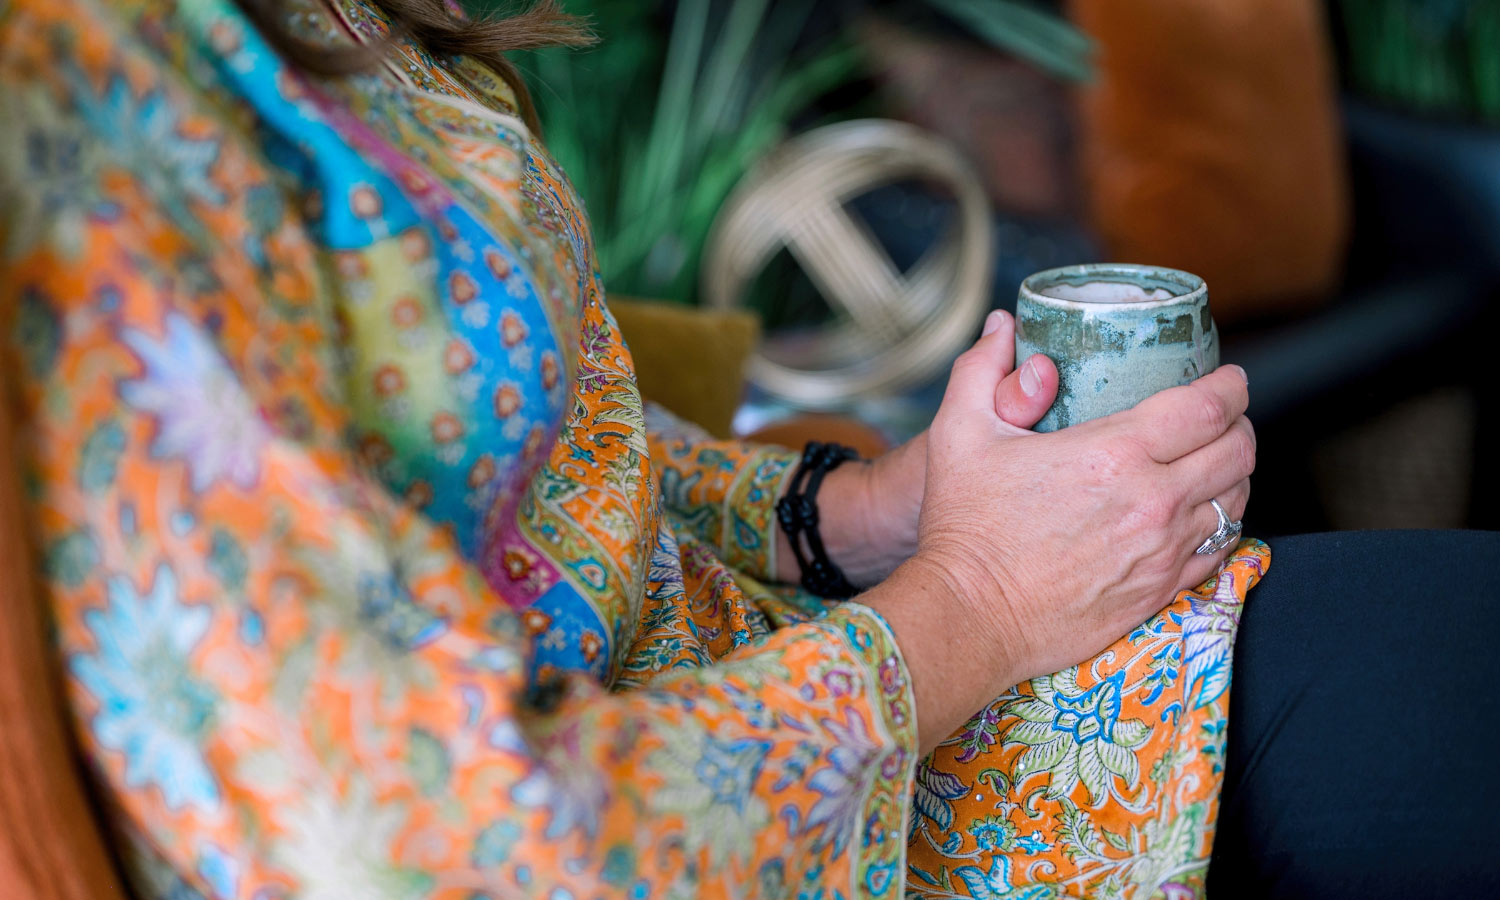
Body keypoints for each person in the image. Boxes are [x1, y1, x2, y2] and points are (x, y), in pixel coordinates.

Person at [1, 1, 1493, 898]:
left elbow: (500, 437)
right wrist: (974, 602)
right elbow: (455, 857)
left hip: (785, 679)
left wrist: (848, 510)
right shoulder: (97, 105)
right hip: (766, 805)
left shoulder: (307, 28)